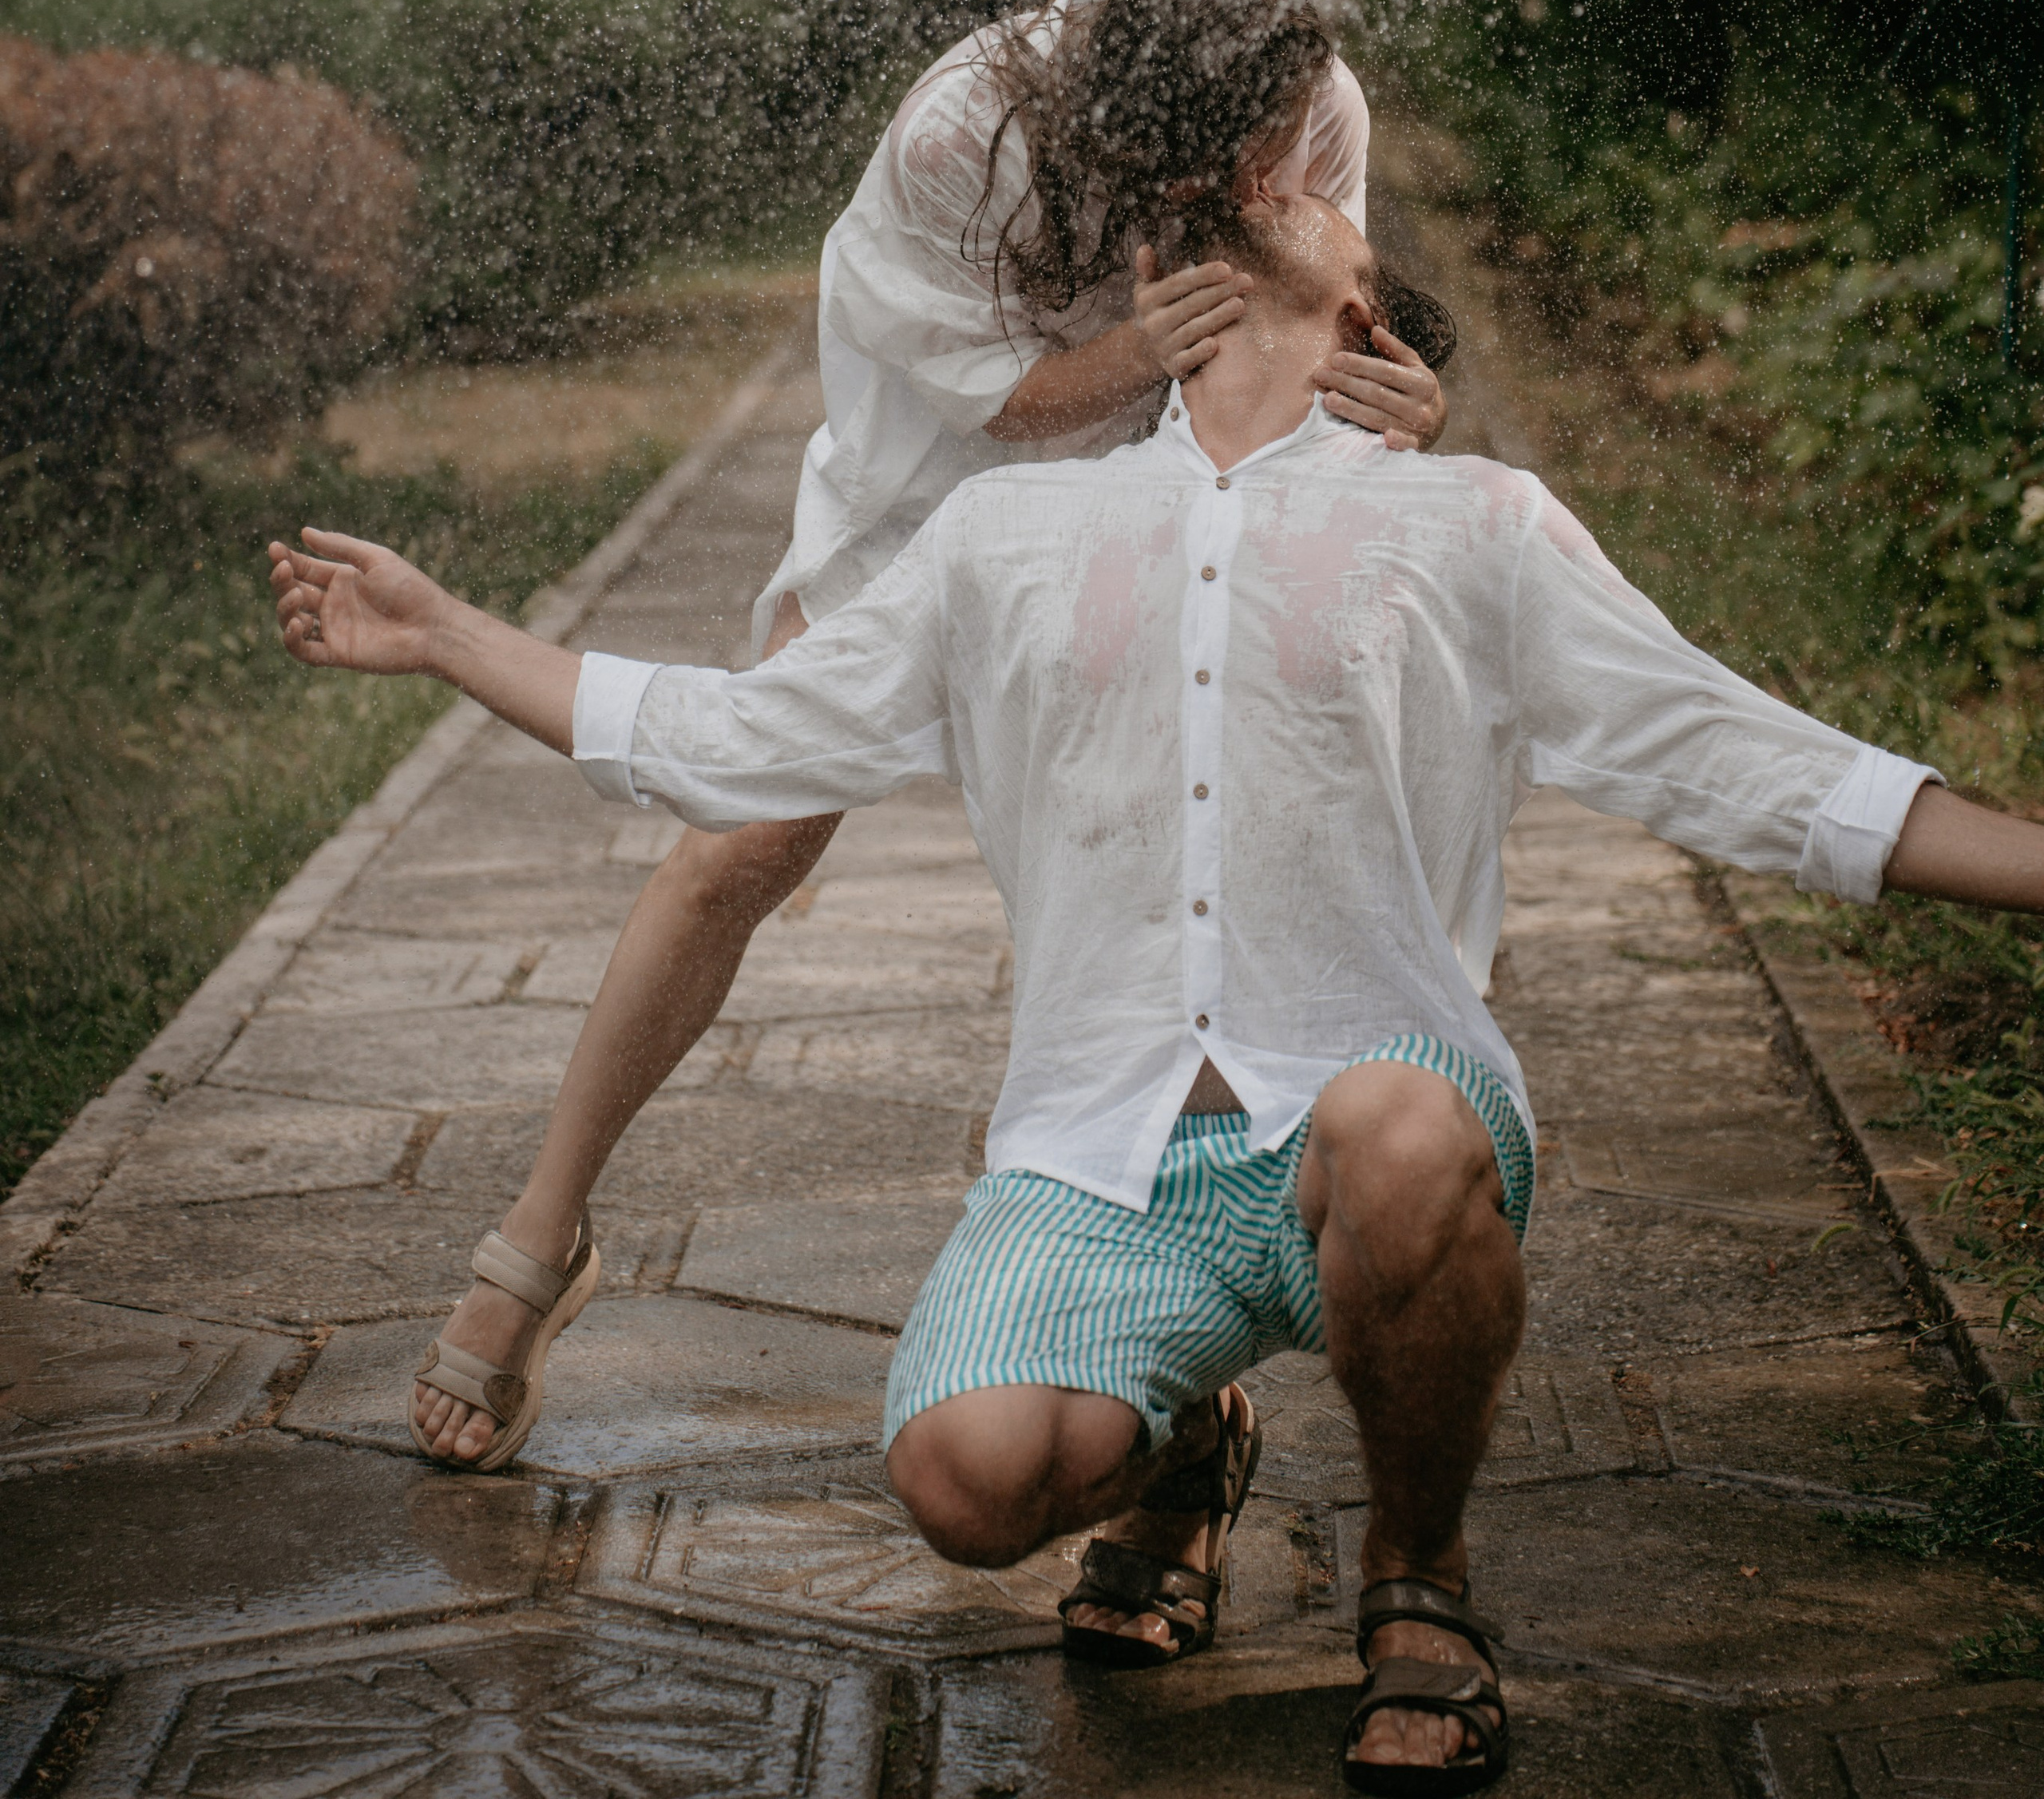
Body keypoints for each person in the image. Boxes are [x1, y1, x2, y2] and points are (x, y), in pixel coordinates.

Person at [267, 190, 2044, 1793]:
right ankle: (1181, 1445)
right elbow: (730, 740)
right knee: (961, 1483)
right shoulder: (1001, 537)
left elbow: (1743, 762)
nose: (1254, 179)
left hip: (1370, 1142)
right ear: (1143, 281)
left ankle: (1414, 1577)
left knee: (1393, 1114)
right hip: (1101, 1163)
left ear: (1367, 313)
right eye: (1204, 188)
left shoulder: (1472, 522)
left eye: (1303, 187)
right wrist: (444, 634)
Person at [398, 0, 1451, 1468]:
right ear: (1132, 135)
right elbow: (993, 399)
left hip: (1168, 488)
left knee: (1166, 892)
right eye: (1233, 158)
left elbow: (1312, 338)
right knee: (741, 844)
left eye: (1281, 143)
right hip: (941, 477)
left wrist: (1405, 411)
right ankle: (542, 1233)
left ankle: (1173, 1362)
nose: (1279, 170)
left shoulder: (1311, 101)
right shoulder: (970, 128)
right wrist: (1131, 350)